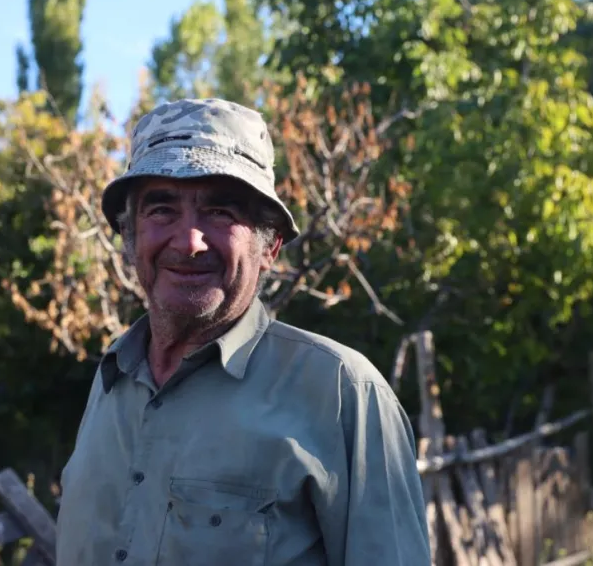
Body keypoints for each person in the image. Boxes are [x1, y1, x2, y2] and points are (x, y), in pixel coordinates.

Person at [54, 98, 431, 565]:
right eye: (161, 210)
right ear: (129, 238)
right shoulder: (112, 382)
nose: (189, 241)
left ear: (269, 245)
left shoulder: (342, 393)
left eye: (220, 212)